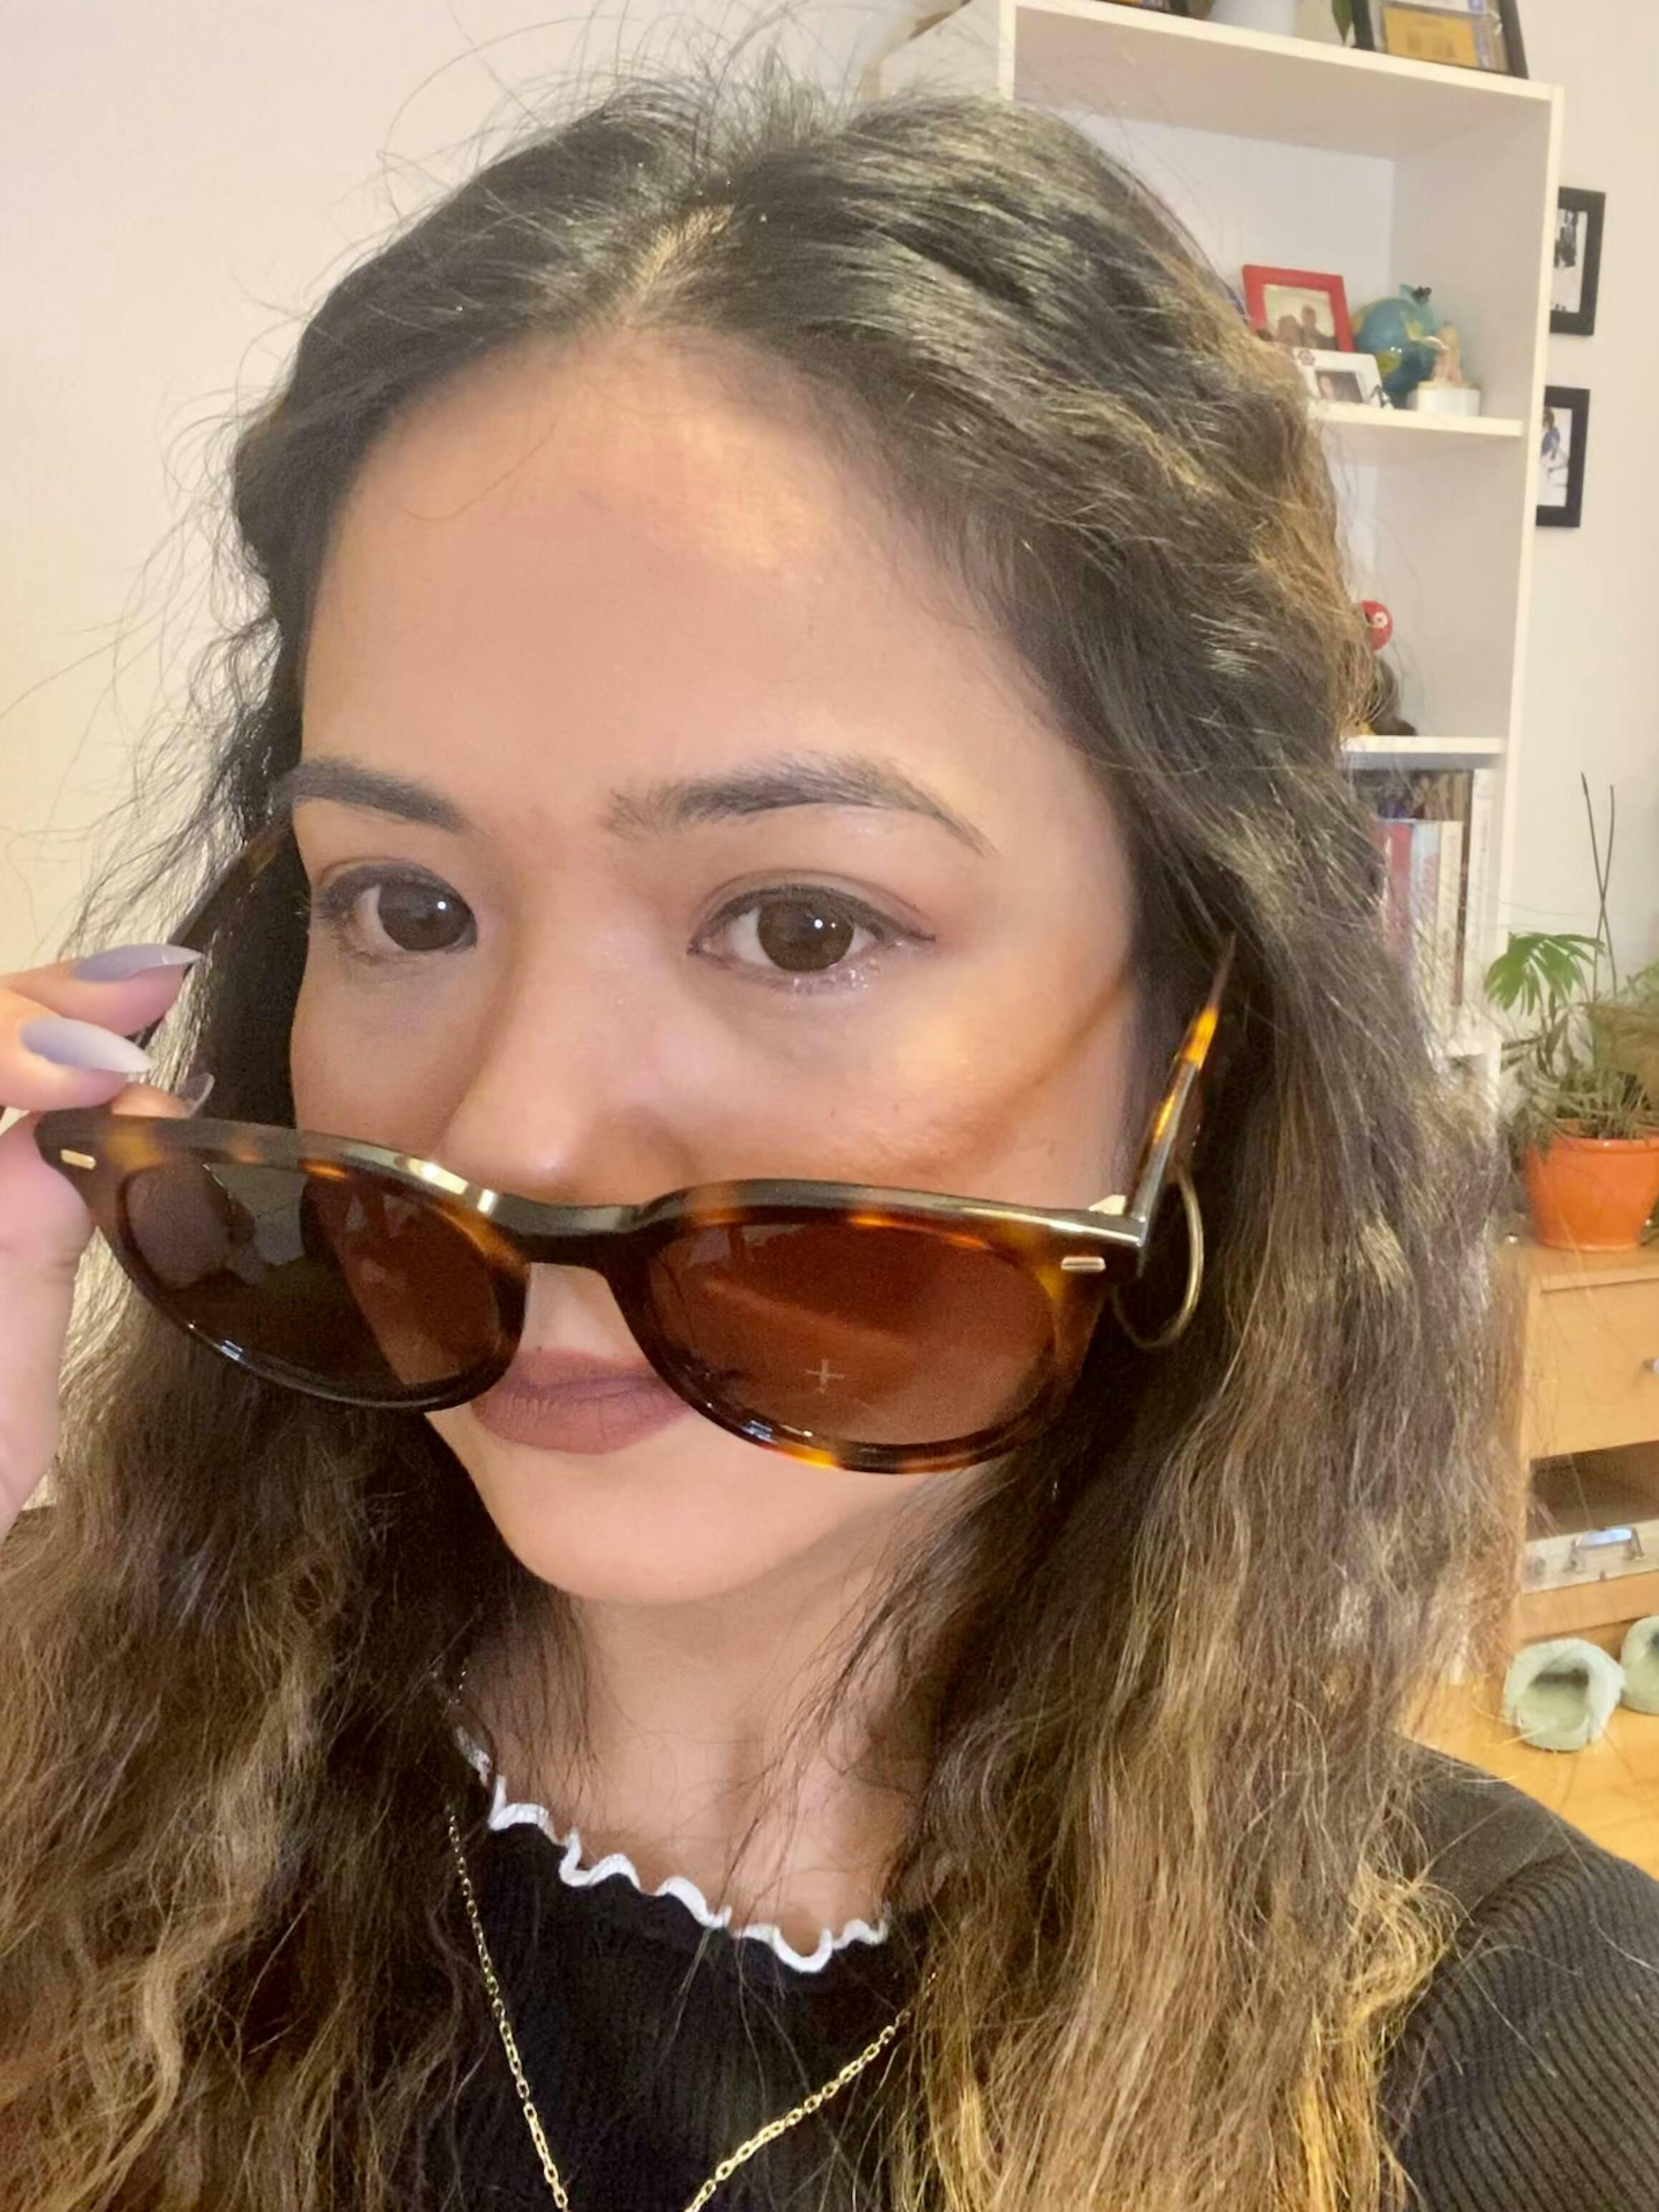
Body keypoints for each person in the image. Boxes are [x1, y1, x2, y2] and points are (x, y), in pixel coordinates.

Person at [1, 57, 1655, 2212]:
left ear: (1202, 1031)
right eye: (403, 907)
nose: (510, 1128)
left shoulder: (1528, 2077)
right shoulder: (87, 1773)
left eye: (799, 925)